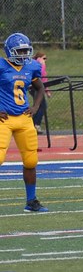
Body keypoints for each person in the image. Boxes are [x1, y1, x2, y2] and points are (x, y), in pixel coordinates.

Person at [0, 33, 48, 212]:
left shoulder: (31, 66)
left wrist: (35, 107)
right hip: (4, 119)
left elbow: (39, 88)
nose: (23, 54)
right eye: (19, 51)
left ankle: (31, 201)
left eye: (25, 51)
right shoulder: (2, 65)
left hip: (24, 118)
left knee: (31, 160)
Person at [30, 51, 48, 130]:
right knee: (42, 106)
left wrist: (47, 90)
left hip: (40, 87)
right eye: (44, 58)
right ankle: (35, 124)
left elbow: (44, 79)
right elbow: (39, 74)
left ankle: (34, 124)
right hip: (35, 87)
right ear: (39, 58)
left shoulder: (40, 65)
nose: (45, 60)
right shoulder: (37, 64)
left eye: (46, 58)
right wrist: (42, 64)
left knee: (41, 106)